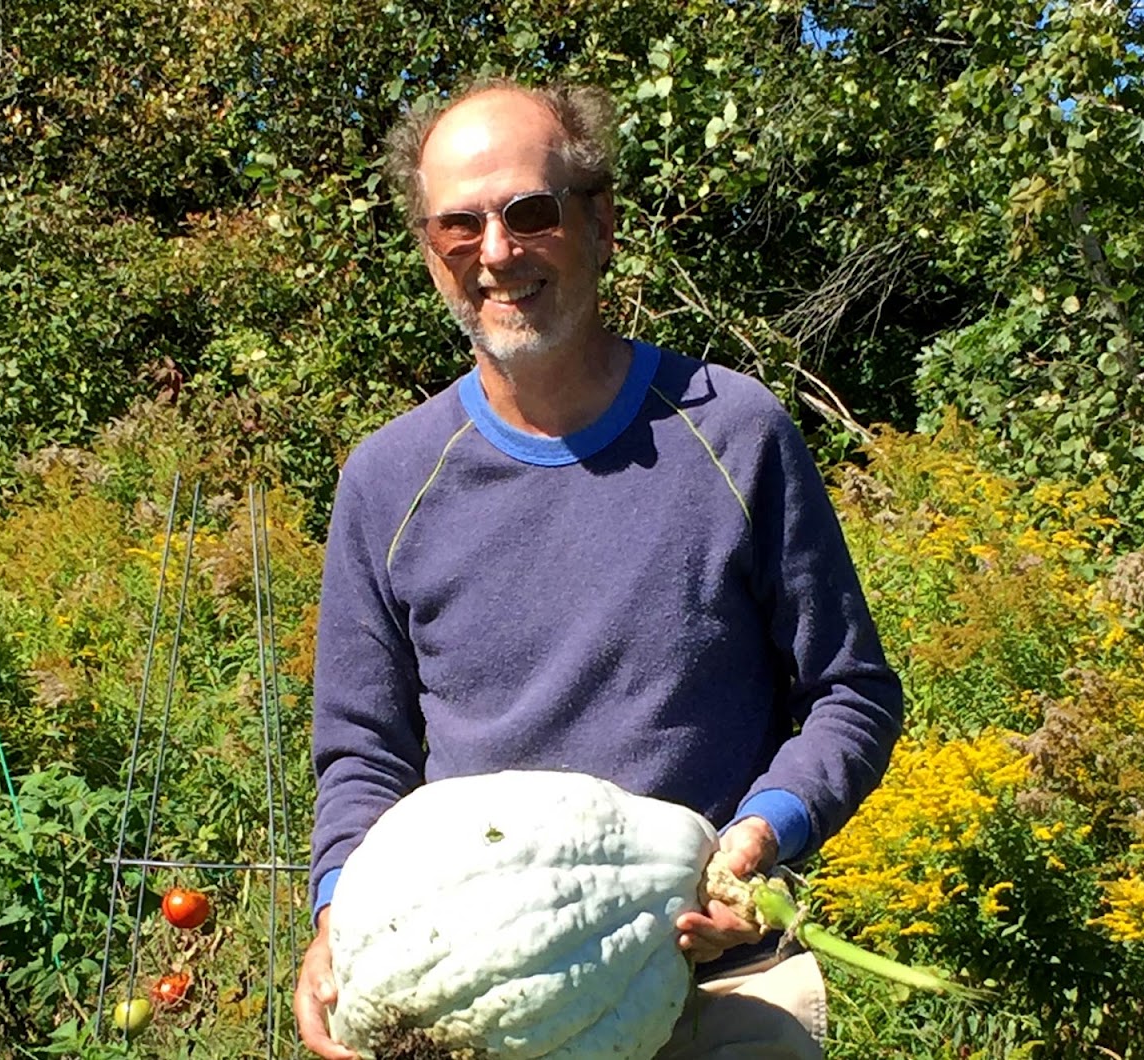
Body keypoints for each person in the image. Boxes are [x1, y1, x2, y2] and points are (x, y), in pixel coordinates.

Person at [294, 79, 902, 1060]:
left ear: (601, 223)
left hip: (718, 969)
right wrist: (338, 913)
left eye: (529, 212)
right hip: (473, 997)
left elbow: (850, 693)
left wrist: (755, 840)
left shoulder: (733, 434)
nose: (495, 251)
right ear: (429, 249)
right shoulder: (387, 480)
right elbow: (362, 755)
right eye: (459, 225)